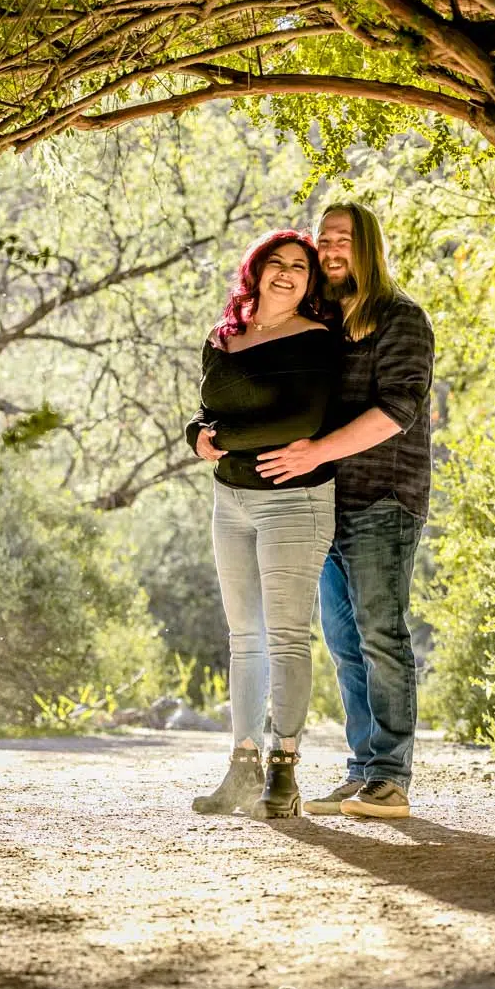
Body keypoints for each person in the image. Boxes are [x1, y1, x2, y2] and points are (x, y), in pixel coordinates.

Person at [254, 203, 433, 820]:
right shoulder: (323, 322)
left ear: (368, 249)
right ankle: (363, 773)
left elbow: (398, 411)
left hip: (385, 499)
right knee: (345, 644)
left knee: (382, 635)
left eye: (343, 241)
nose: (331, 251)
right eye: (324, 240)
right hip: (323, 504)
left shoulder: (400, 318)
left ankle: (391, 779)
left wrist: (314, 453)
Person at [185, 230, 341, 818]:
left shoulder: (317, 340)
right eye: (275, 264)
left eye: (298, 267)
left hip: (294, 502)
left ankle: (284, 772)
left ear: (310, 281)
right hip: (232, 503)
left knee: (285, 636)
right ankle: (241, 767)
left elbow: (300, 421)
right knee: (244, 637)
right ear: (254, 272)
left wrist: (220, 441)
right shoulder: (222, 338)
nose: (286, 274)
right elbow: (207, 410)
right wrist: (196, 436)